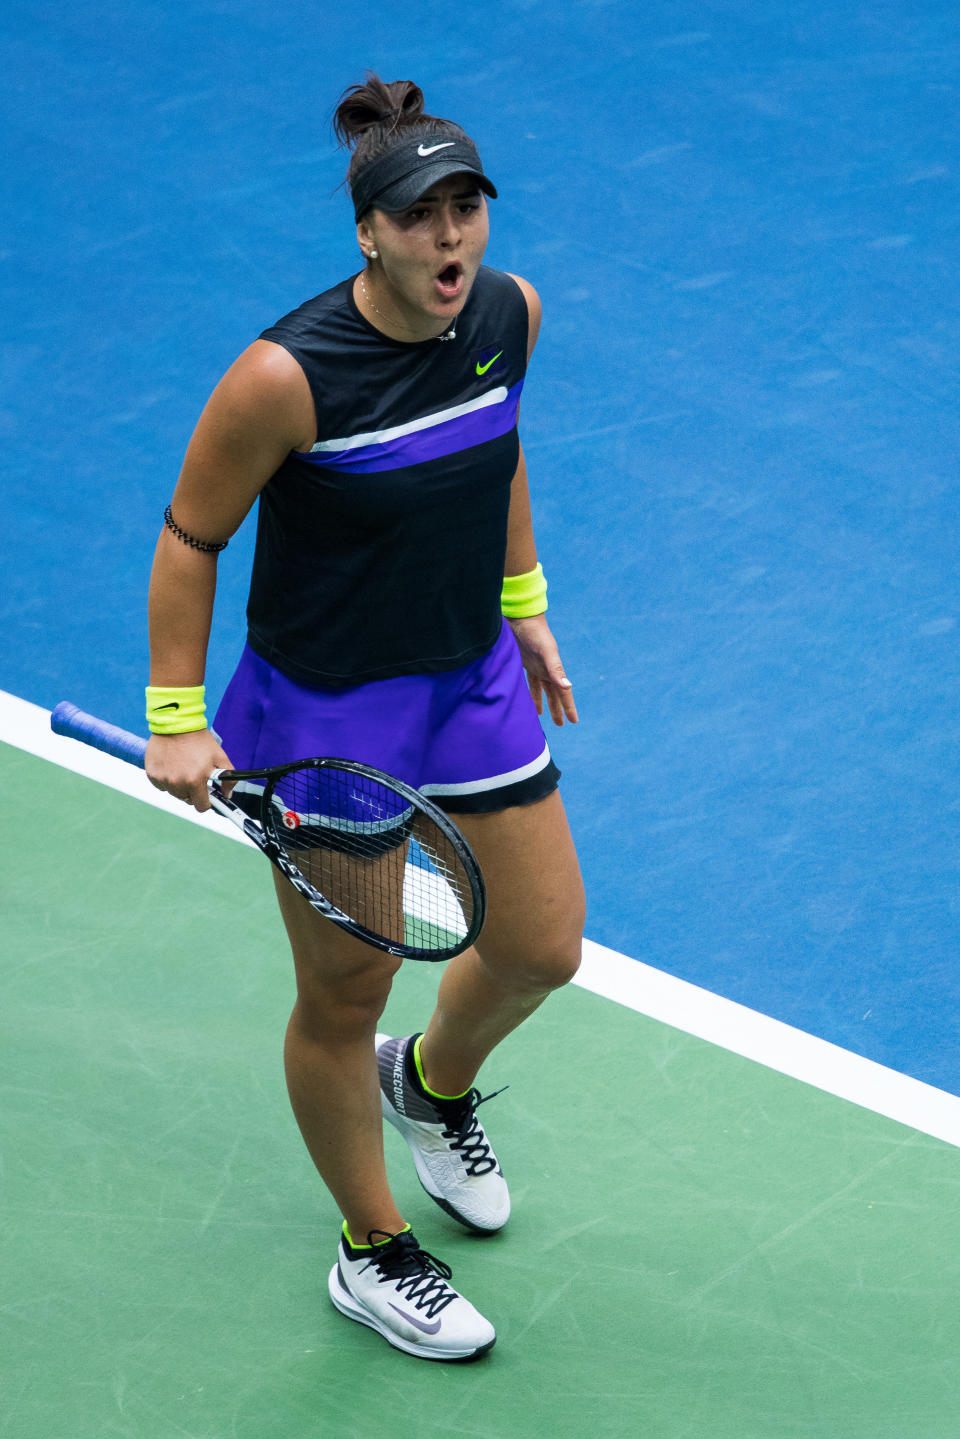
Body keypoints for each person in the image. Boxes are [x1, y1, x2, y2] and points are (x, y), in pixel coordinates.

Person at [144, 73, 585, 1362]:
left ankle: (430, 1085)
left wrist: (526, 603)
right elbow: (189, 539)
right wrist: (178, 715)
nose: (451, 239)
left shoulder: (512, 313)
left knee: (546, 944)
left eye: (467, 209)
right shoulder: (284, 378)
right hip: (330, 717)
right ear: (368, 234)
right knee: (348, 988)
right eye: (421, 216)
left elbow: (494, 448)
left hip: (468, 674)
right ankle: (372, 1253)